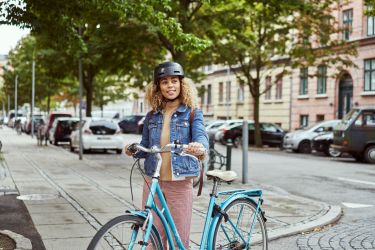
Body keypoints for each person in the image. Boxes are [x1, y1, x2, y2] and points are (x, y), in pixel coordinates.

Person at [124, 61, 209, 248]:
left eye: (174, 81)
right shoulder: (152, 116)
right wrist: (132, 149)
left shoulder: (192, 113)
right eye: (164, 82)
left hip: (179, 182)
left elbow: (201, 137)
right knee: (152, 237)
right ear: (158, 88)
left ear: (181, 84)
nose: (170, 85)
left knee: (178, 239)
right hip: (152, 181)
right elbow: (145, 146)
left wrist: (199, 147)